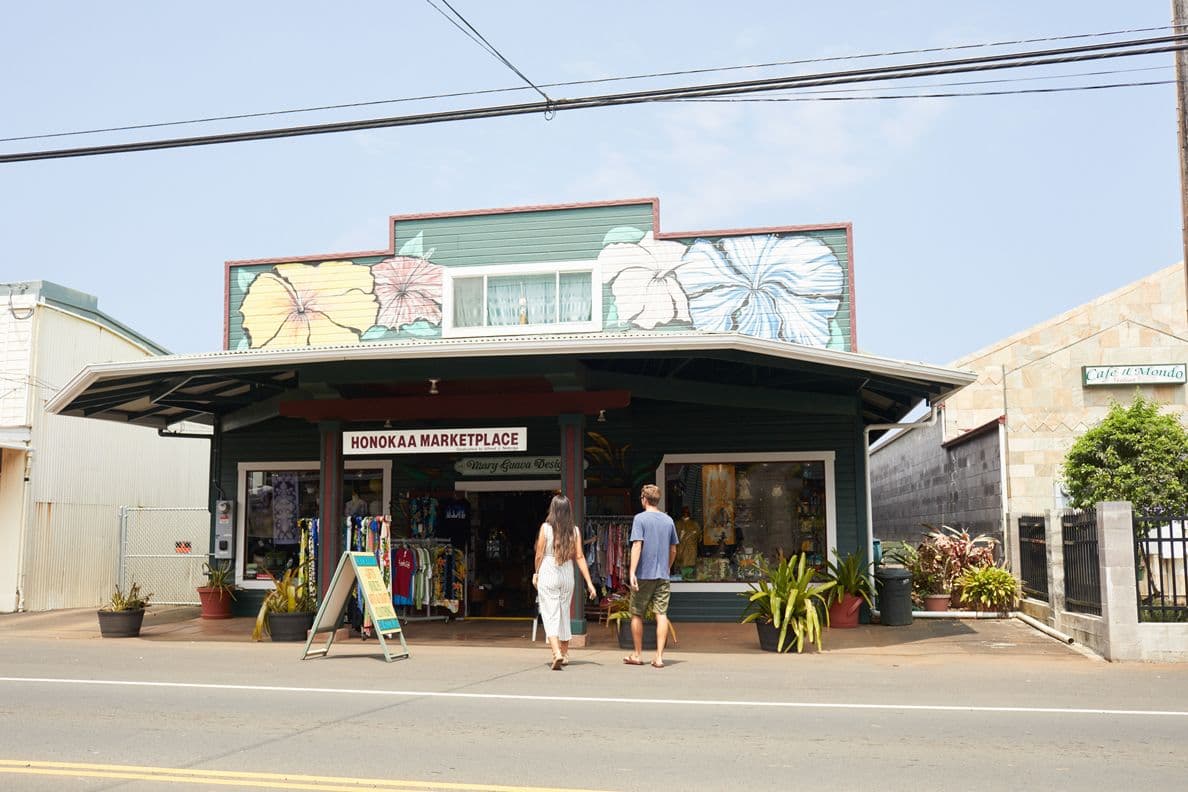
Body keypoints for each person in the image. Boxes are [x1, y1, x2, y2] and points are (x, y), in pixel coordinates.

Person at [532, 494, 597, 670]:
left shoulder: (545, 528)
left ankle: (556, 653)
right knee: (563, 614)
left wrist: (536, 572)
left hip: (548, 571)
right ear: (568, 510)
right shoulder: (574, 530)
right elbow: (580, 557)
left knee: (550, 614)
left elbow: (539, 555)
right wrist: (589, 583)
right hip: (567, 574)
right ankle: (565, 653)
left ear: (552, 509)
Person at [625, 484, 678, 669]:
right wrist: (668, 567)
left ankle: (638, 654)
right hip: (663, 574)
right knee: (661, 614)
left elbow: (637, 545)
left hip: (644, 574)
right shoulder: (668, 520)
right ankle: (659, 657)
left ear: (644, 499)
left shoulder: (640, 519)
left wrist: (632, 571)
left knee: (636, 613)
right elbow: (673, 549)